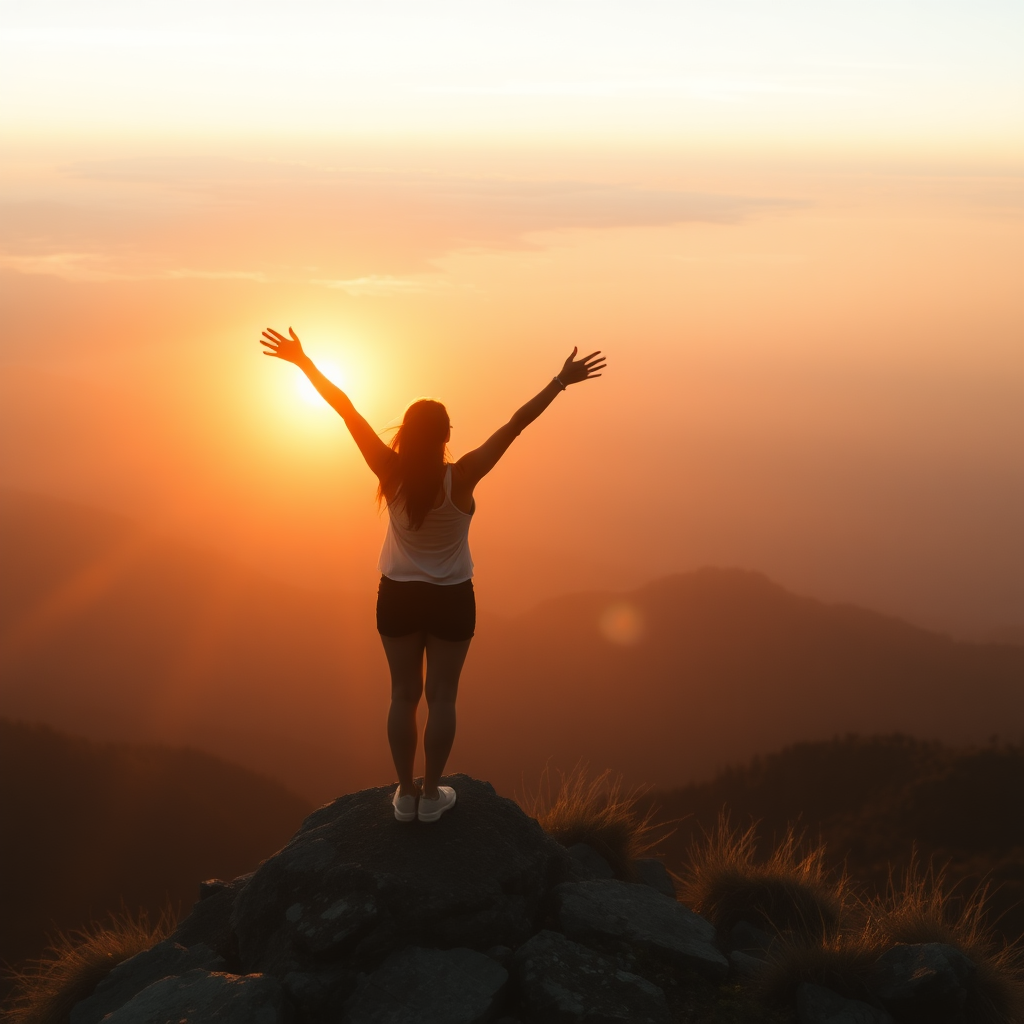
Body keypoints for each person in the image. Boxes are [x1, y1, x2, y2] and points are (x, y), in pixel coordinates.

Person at [260, 327, 606, 822]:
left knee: (403, 695)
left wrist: (303, 362)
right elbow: (516, 423)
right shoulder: (462, 477)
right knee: (444, 696)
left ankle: (403, 795)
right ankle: (429, 794)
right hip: (451, 597)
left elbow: (345, 409)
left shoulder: (388, 470)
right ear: (446, 437)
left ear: (404, 432)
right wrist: (559, 381)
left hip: (397, 595)